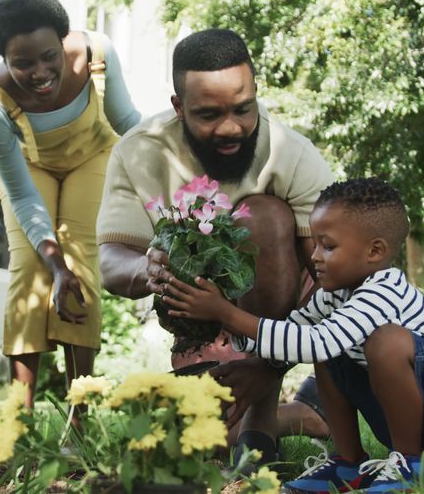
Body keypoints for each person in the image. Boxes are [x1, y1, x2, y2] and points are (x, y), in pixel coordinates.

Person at [162, 178, 424, 493]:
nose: (314, 257)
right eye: (315, 245)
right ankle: (348, 463)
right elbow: (298, 331)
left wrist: (228, 312)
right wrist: (231, 339)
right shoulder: (335, 294)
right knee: (328, 344)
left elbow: (317, 342)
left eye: (327, 247)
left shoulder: (383, 290)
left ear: (374, 252)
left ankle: (410, 465)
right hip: (417, 420)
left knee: (384, 341)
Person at [96, 28, 335, 466]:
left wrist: (267, 364)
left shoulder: (292, 154)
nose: (231, 128)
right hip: (196, 316)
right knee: (195, 446)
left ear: (256, 92)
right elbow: (111, 261)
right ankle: (305, 414)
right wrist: (147, 268)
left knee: (261, 216)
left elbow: (332, 281)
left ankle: (263, 417)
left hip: (280, 314)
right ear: (178, 107)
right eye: (208, 115)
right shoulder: (139, 152)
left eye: (243, 109)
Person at [0, 0, 142, 408]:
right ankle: (18, 416)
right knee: (31, 265)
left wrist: (167, 168)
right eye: (22, 63)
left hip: (94, 155)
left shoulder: (97, 54)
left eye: (49, 56)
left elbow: (127, 122)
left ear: (63, 40)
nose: (40, 72)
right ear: (3, 59)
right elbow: (20, 192)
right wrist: (53, 265)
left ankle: (80, 416)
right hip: (33, 168)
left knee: (80, 259)